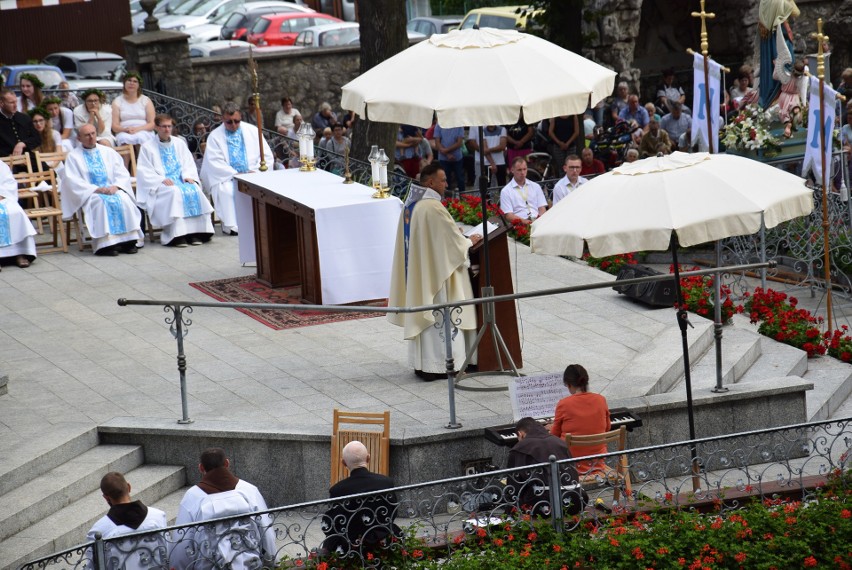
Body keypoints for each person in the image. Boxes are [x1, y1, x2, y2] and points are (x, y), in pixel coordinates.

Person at [388, 163, 481, 380]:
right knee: (444, 317)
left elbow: (435, 238)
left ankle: (424, 366)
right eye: (443, 180)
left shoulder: (411, 205)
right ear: (430, 182)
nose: (446, 184)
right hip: (438, 279)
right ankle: (444, 366)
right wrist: (468, 240)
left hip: (421, 275)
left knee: (427, 315)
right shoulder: (433, 208)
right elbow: (452, 245)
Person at [172, 447, 276, 569]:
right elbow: (265, 528)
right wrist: (272, 560)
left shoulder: (192, 496)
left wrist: (178, 567)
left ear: (201, 468)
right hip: (250, 564)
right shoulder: (249, 490)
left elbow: (183, 539)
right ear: (227, 463)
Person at [61, 123, 144, 256]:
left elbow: (121, 173)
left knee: (124, 200)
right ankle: (106, 245)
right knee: (101, 203)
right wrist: (96, 189)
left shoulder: (108, 152)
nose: (91, 137)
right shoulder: (73, 156)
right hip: (92, 193)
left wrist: (116, 186)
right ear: (79, 138)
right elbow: (73, 181)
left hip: (112, 189)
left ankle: (129, 242)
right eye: (87, 135)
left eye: (93, 134)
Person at [137, 114, 215, 247]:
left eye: (169, 126)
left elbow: (188, 163)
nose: (167, 129)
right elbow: (144, 171)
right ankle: (177, 235)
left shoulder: (179, 143)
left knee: (194, 189)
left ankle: (196, 233)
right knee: (174, 192)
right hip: (162, 183)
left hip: (181, 179)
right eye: (164, 127)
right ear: (156, 127)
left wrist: (188, 175)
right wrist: (161, 179)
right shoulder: (147, 147)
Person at [200, 101, 273, 236]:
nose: (233, 125)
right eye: (229, 122)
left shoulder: (252, 131)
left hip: (253, 175)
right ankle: (232, 226)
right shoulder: (215, 136)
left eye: (236, 121)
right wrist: (237, 174)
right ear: (223, 119)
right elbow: (215, 163)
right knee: (227, 191)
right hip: (228, 177)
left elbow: (266, 156)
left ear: (241, 118)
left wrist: (256, 171)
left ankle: (258, 223)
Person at [320, 441, 400, 557]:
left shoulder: (338, 490)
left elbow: (333, 523)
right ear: (368, 458)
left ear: (343, 463)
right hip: (385, 538)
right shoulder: (386, 482)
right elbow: (393, 511)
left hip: (352, 547)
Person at [86, 472, 168, 568]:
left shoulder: (99, 531)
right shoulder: (157, 516)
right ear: (129, 487)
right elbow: (168, 551)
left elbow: (94, 566)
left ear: (106, 498)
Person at [508, 417, 585, 516]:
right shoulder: (560, 442)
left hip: (543, 506)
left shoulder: (520, 448)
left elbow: (513, 486)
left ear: (520, 434)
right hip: (576, 501)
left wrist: (510, 510)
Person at [550, 364, 611, 476]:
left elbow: (554, 436)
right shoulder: (601, 400)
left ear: (568, 385)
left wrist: (550, 427)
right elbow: (607, 427)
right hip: (597, 463)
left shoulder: (564, 404)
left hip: (571, 466)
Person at [758, 0, 799, 109]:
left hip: (774, 40)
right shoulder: (776, 5)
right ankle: (777, 98)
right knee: (783, 67)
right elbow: (795, 11)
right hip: (779, 43)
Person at [0, 158, 36, 269]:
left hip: (3, 198)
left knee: (16, 212)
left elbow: (9, 182)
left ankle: (19, 252)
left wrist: (2, 194)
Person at [111, 71, 155, 146]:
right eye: (129, 80)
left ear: (139, 85)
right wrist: (125, 129)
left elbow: (152, 123)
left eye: (135, 81)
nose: (131, 83)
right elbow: (114, 126)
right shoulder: (117, 101)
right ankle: (126, 158)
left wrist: (138, 129)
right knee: (124, 139)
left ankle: (140, 157)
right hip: (124, 131)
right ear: (124, 83)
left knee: (140, 138)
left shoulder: (146, 100)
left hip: (143, 130)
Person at [500, 156, 547, 225]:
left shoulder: (535, 186)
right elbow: (509, 215)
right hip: (520, 225)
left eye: (524, 169)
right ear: (512, 170)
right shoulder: (506, 191)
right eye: (519, 170)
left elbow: (542, 208)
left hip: (538, 222)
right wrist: (525, 222)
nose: (522, 172)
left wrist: (539, 221)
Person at [0, 88, 40, 159]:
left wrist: (22, 144)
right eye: (11, 103)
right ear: (1, 103)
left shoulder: (24, 118)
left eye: (16, 102)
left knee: (48, 169)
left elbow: (37, 138)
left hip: (27, 158)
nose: (15, 105)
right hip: (5, 161)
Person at [433, 122, 465, 198]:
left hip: (457, 158)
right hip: (444, 159)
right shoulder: (439, 125)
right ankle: (448, 201)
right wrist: (447, 154)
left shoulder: (459, 125)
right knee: (445, 180)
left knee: (460, 179)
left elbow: (459, 143)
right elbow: (437, 143)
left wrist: (446, 151)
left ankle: (463, 199)